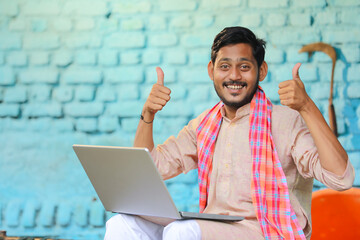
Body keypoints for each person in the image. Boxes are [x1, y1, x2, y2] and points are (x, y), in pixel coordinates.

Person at [104, 26, 354, 240]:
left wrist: (307, 107)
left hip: (266, 231)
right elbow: (150, 170)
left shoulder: (286, 121)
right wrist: (147, 116)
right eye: (225, 66)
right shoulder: (204, 125)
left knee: (183, 232)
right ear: (211, 70)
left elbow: (341, 179)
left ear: (262, 71)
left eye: (244, 66)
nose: (234, 76)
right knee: (121, 223)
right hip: (213, 226)